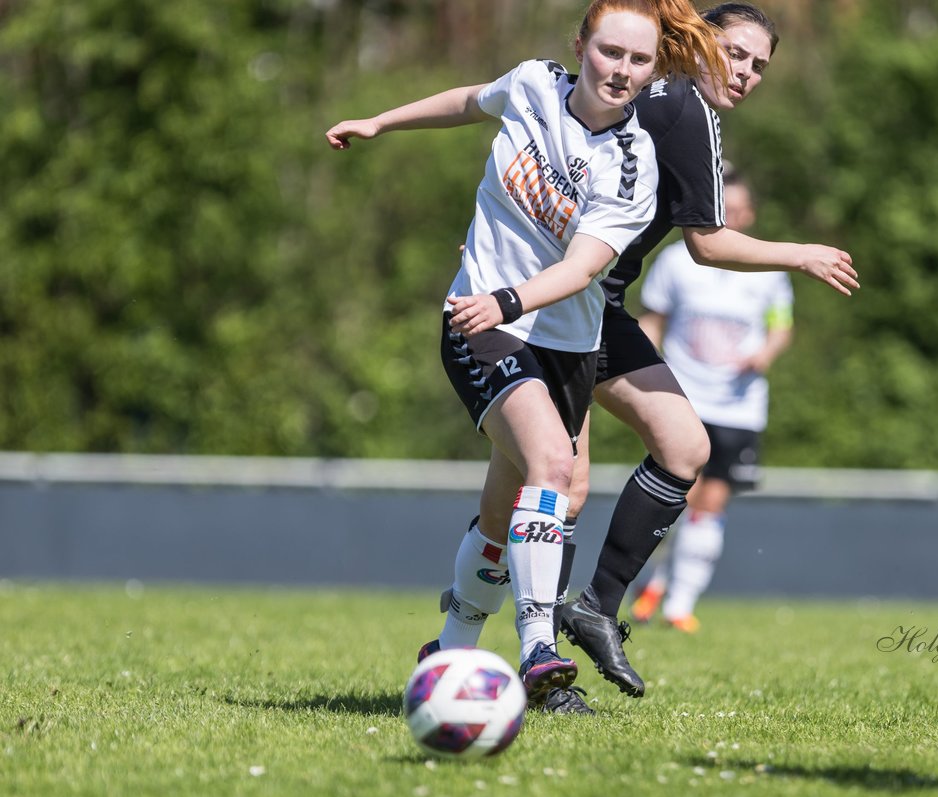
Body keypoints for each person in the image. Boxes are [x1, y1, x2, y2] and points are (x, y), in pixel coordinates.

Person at [326, 0, 728, 716]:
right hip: (481, 321)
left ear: (651, 69)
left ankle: (449, 649)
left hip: (565, 344)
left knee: (502, 511)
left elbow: (581, 270)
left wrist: (514, 299)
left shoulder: (633, 170)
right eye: (610, 52)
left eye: (638, 60)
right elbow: (467, 100)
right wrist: (383, 120)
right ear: (580, 46)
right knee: (553, 466)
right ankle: (540, 647)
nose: (621, 70)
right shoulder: (534, 84)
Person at [555, 2, 858, 702]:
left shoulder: (660, 99)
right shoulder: (681, 105)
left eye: (760, 66)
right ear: (699, 42)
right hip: (562, 308)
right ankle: (517, 648)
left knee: (678, 450)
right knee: (555, 486)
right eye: (738, 53)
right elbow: (709, 242)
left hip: (594, 306)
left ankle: (591, 609)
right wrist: (801, 254)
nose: (748, 73)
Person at [628, 168, 794, 633]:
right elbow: (652, 321)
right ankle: (653, 582)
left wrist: (766, 353)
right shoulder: (677, 261)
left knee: (711, 502)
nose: (734, 217)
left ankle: (677, 603)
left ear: (751, 214)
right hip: (684, 396)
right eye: (728, 208)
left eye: (742, 210)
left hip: (738, 404)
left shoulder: (768, 270)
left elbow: (781, 326)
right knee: (675, 498)